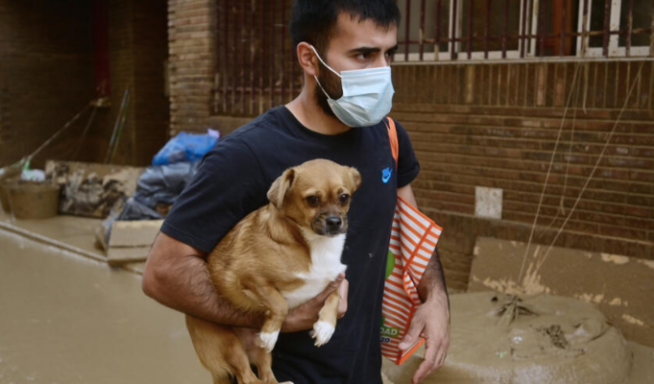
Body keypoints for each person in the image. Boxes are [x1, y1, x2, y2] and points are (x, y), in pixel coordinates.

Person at [143, 1, 450, 383]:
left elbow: (410, 229)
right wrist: (275, 314)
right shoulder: (246, 155)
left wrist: (434, 299)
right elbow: (163, 273)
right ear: (310, 58)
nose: (382, 71)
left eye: (389, 54)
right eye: (364, 55)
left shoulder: (389, 138)